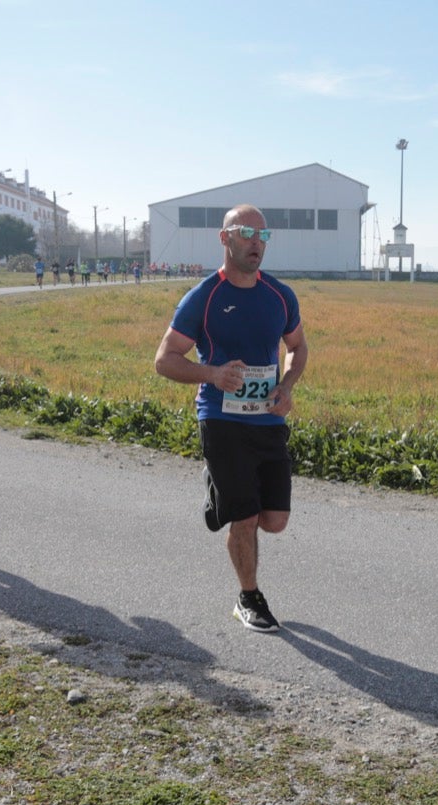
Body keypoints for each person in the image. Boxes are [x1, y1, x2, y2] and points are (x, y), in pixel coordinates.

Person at [154, 205, 308, 633]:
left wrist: (288, 385)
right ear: (225, 239)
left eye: (263, 235)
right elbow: (164, 360)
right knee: (244, 516)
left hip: (268, 420)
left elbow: (297, 346)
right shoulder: (204, 297)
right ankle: (249, 597)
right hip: (221, 420)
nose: (256, 242)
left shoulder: (280, 295)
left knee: (274, 521)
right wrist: (212, 374)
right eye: (246, 233)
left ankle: (220, 491)